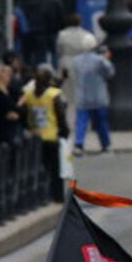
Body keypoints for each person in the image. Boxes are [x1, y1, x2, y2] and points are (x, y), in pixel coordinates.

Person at [19, 65, 69, 202]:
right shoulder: (53, 94)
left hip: (35, 136)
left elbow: (21, 112)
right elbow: (61, 115)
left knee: (40, 168)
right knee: (55, 169)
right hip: (51, 136)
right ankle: (57, 196)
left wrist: (28, 126)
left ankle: (41, 196)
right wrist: (64, 132)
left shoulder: (29, 94)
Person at [72, 44, 114, 154]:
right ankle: (106, 145)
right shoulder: (100, 60)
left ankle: (79, 144)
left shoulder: (76, 61)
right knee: (101, 123)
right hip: (98, 97)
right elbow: (110, 73)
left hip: (83, 97)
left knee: (81, 122)